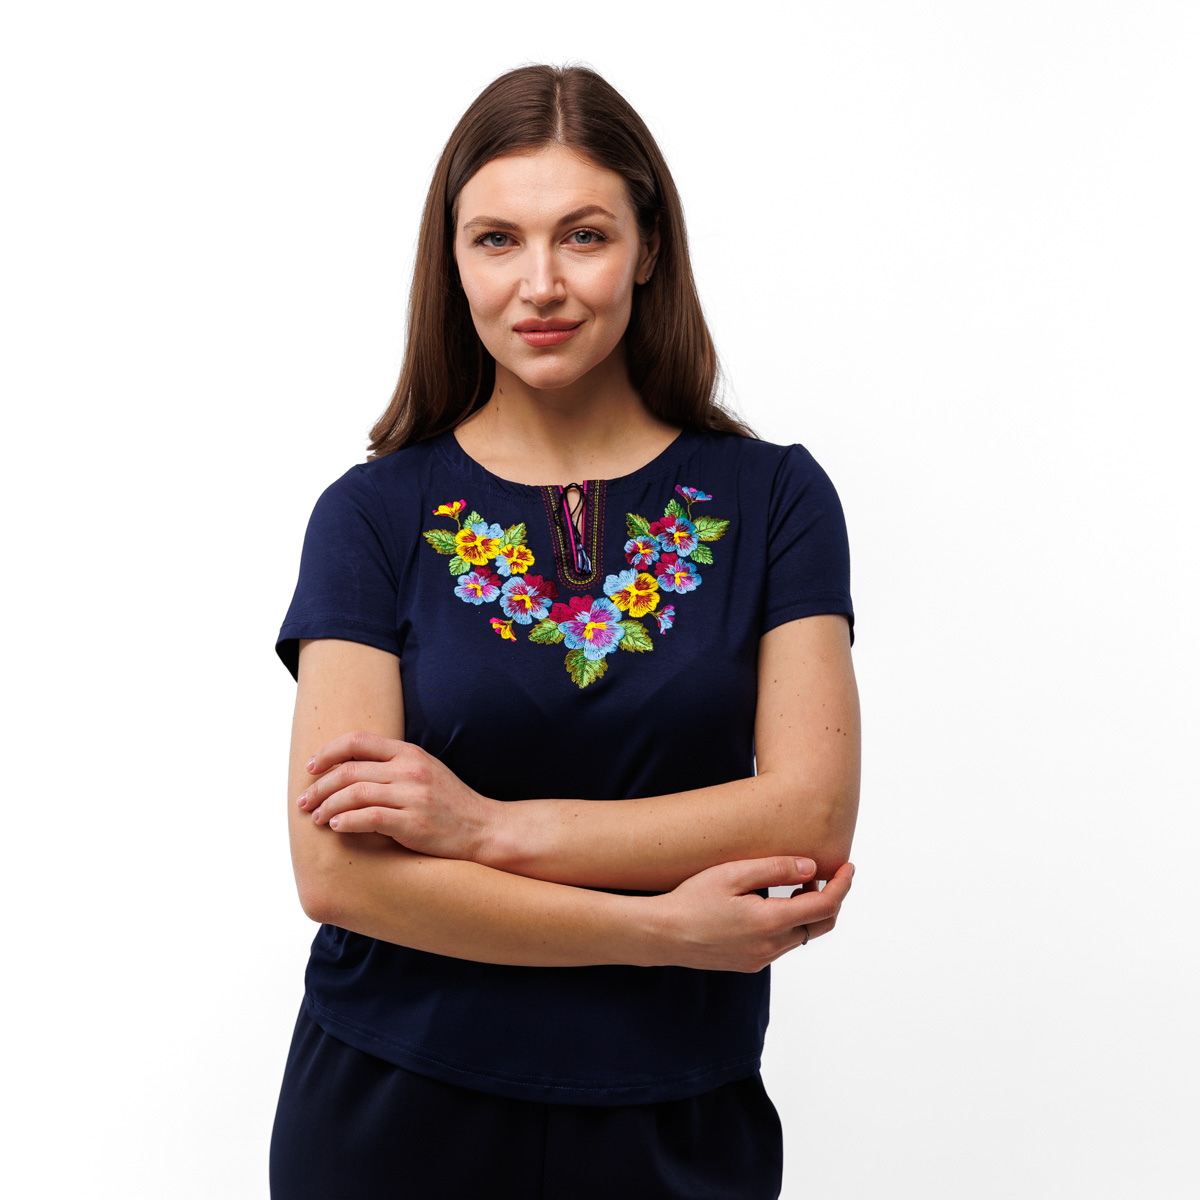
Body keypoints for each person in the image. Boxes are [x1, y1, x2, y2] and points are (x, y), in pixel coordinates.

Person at [269, 62, 860, 1200]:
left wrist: (483, 829)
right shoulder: (372, 514)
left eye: (582, 236)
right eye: (497, 240)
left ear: (648, 248)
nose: (539, 284)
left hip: (677, 1111)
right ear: (452, 261)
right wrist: (661, 929)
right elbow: (341, 875)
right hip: (392, 1106)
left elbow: (807, 815)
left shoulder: (775, 499)